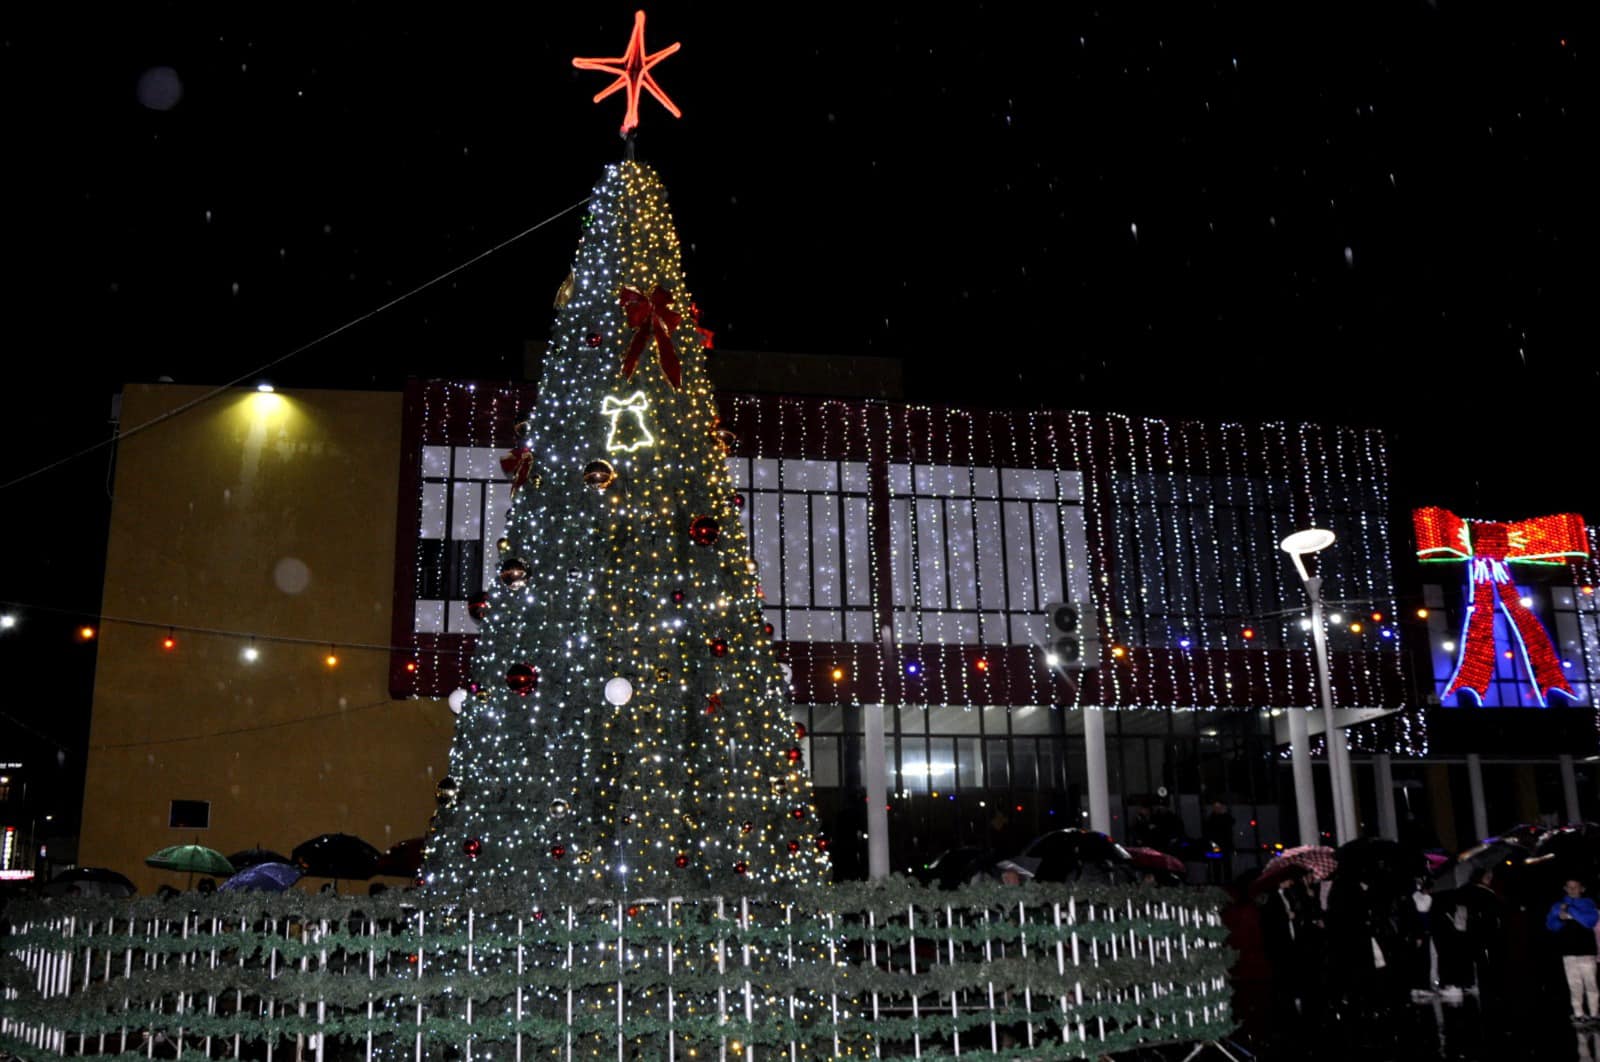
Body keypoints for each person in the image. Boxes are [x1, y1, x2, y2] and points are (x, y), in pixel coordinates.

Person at [1546, 879, 1600, 1022]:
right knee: (1574, 985)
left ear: (1582, 888)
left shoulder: (1588, 903)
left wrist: (1569, 909)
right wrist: (1560, 919)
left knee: (1591, 984)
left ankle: (1594, 1013)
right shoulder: (1558, 905)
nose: (1572, 890)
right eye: (1569, 887)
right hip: (1568, 952)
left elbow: (1590, 921)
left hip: (1587, 951)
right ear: (1565, 888)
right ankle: (1578, 1014)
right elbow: (1551, 926)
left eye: (1575, 887)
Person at [1202, 800, 1236, 883]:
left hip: (1224, 844)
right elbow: (1208, 831)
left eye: (1218, 807)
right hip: (1216, 844)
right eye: (1216, 807)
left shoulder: (1223, 818)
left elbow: (1231, 822)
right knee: (1217, 864)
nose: (1217, 809)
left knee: (1225, 864)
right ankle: (1218, 881)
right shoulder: (1211, 819)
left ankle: (1227, 881)